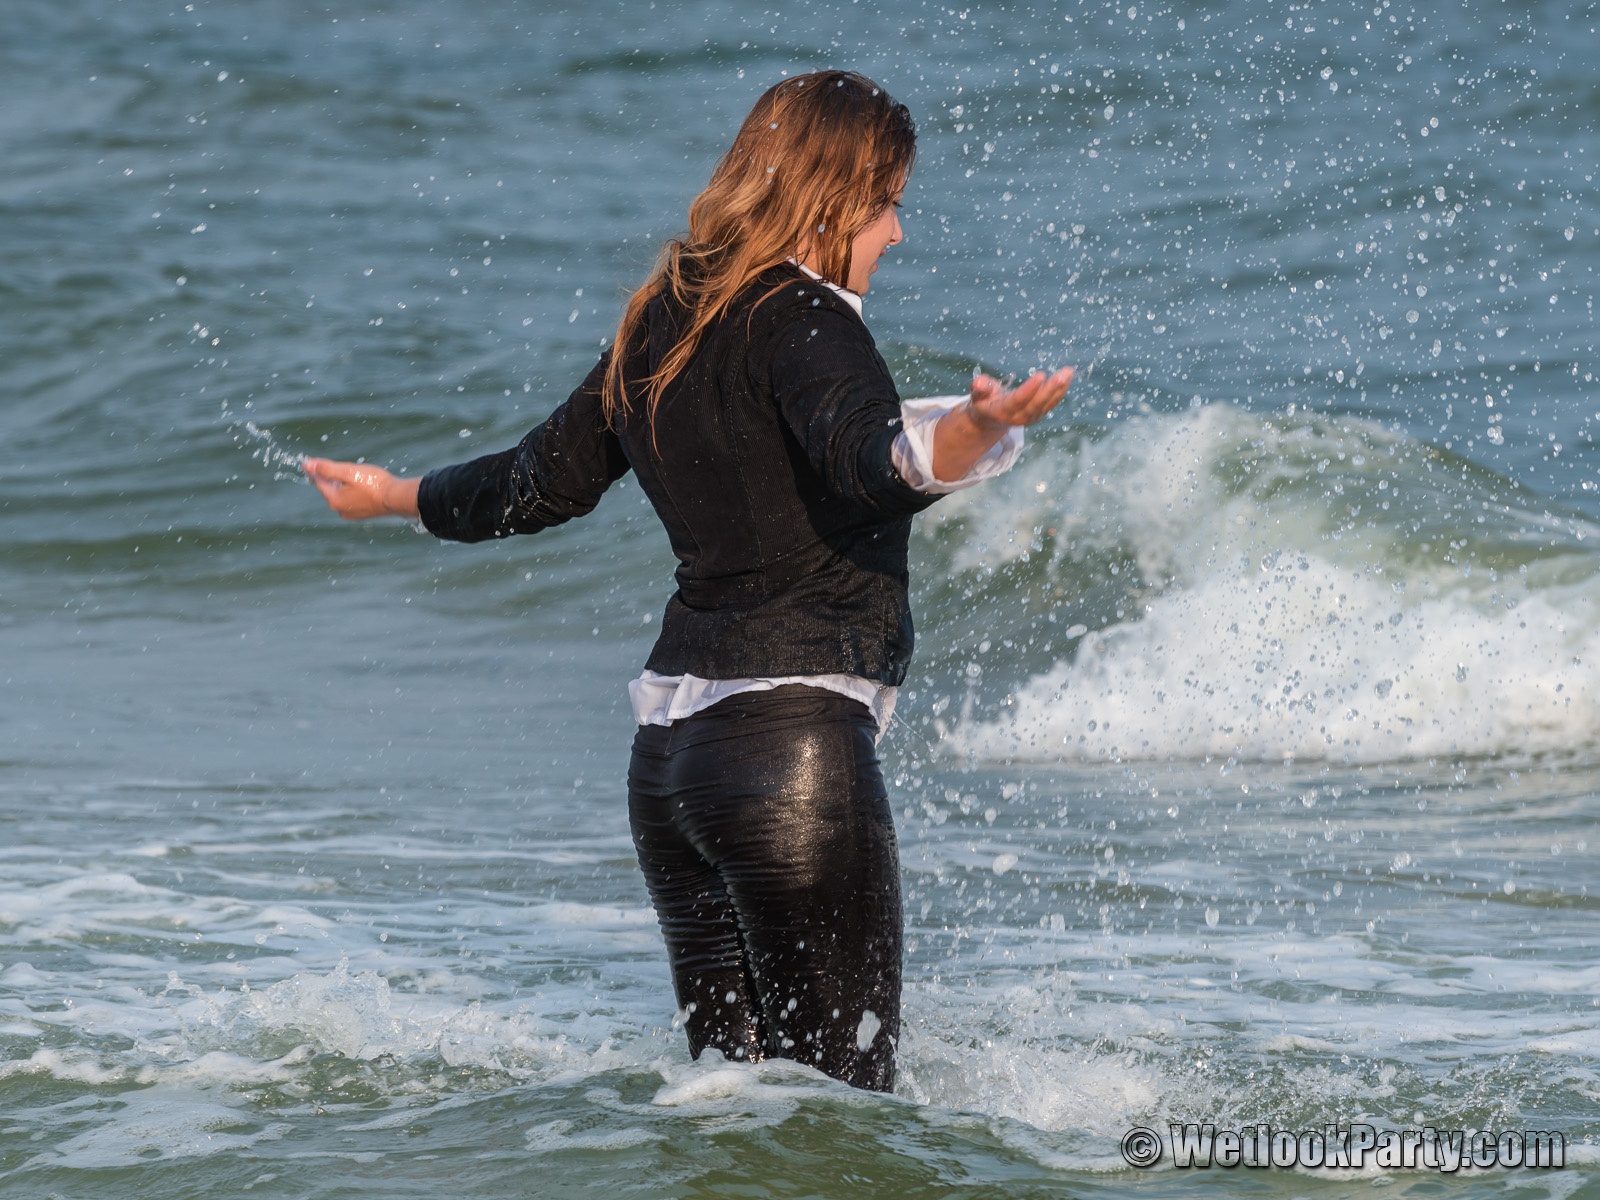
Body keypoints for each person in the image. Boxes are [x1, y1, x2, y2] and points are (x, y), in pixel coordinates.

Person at [303, 69, 1072, 1092]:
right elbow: (869, 456)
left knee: (735, 1122)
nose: (895, 233)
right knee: (844, 1122)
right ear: (832, 201)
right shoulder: (806, 316)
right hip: (788, 760)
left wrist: (395, 495)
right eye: (886, 205)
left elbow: (536, 483)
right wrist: (974, 428)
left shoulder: (666, 318)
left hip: (673, 775)